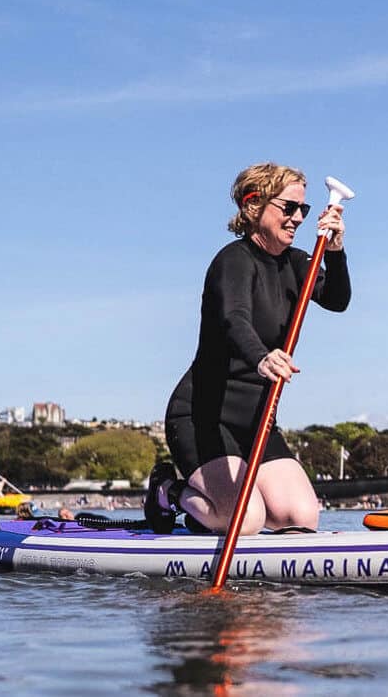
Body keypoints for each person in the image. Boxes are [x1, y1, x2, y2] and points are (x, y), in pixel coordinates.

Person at [146, 162, 351, 535]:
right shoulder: (233, 260)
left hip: (258, 418)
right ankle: (168, 491)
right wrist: (261, 357)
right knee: (246, 519)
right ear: (253, 206)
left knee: (301, 517)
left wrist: (335, 251)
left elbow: (337, 300)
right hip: (204, 416)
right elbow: (233, 319)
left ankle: (218, 508)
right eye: (289, 207)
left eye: (303, 209)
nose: (298, 218)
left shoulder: (297, 263)